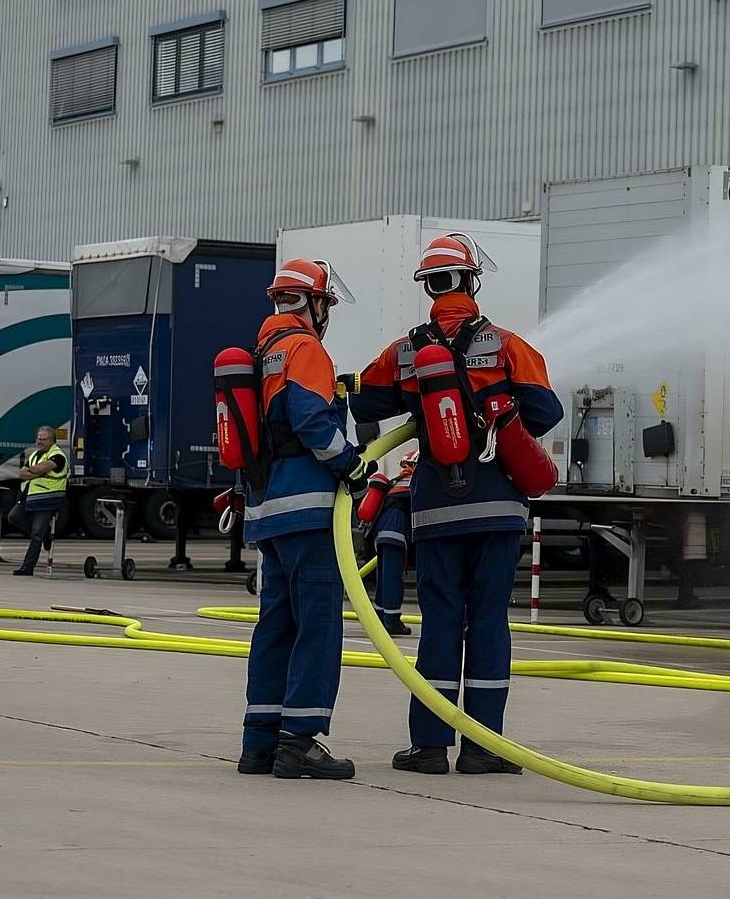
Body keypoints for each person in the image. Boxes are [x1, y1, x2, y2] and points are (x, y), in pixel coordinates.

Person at [352, 234, 563, 775]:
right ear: (471, 281)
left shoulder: (406, 353)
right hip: (495, 505)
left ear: (430, 287)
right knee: (488, 620)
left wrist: (424, 405)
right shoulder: (508, 345)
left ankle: (428, 747)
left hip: (435, 505)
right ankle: (483, 747)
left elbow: (367, 400)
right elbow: (545, 412)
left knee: (440, 621)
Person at [238, 258, 363, 780]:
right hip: (309, 509)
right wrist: (349, 463)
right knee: (318, 626)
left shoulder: (260, 351)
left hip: (267, 510)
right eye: (325, 304)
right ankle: (301, 743)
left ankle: (258, 744)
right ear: (314, 303)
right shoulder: (305, 347)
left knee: (275, 625)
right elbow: (312, 418)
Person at [357, 454, 417, 637]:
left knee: (383, 576)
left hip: (380, 534)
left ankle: (380, 615)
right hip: (396, 533)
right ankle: (391, 621)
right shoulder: (411, 483)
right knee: (392, 578)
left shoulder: (396, 481)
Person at [11, 425, 68, 576]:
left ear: (52, 440)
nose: (39, 441)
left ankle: (27, 567)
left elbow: (41, 468)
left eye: (43, 439)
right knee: (13, 517)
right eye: (38, 438)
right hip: (30, 496)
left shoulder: (58, 455)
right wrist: (35, 471)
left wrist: (34, 471)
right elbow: (22, 474)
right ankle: (45, 535)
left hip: (48, 498)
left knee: (36, 533)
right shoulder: (35, 455)